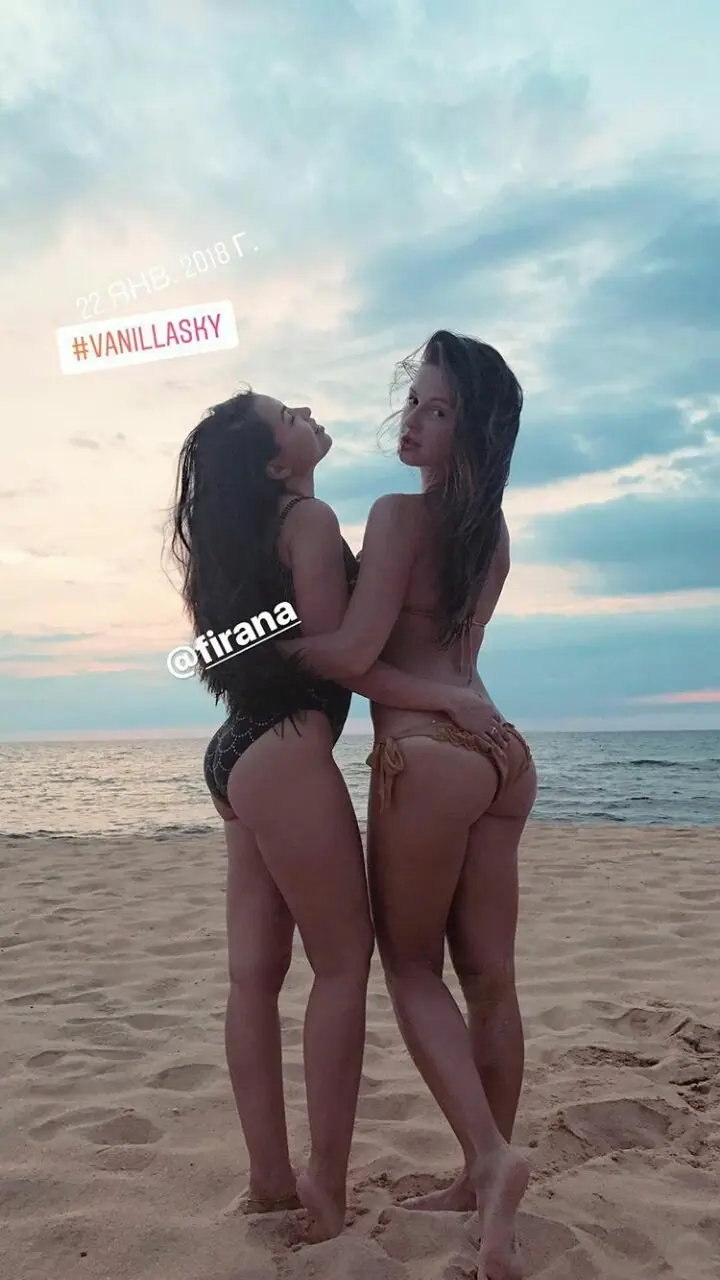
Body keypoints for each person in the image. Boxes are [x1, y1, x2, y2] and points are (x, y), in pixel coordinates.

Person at [167, 387, 513, 1244]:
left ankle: (269, 1181)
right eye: (289, 418)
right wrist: (443, 697)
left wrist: (249, 648)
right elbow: (347, 660)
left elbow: (234, 650)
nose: (307, 413)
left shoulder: (229, 541)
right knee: (341, 965)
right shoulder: (310, 522)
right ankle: (323, 1182)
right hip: (290, 747)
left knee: (253, 976)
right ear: (275, 463)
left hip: (235, 754)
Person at [280, 332, 537, 1278]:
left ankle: (491, 1159)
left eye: (439, 411)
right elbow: (451, 656)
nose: (415, 422)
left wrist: (260, 645)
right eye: (416, 401)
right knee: (492, 977)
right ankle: (480, 1183)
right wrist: (453, 700)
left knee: (413, 968)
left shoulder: (396, 516)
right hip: (502, 755)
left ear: (473, 433)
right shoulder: (492, 534)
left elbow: (353, 657)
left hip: (427, 757)